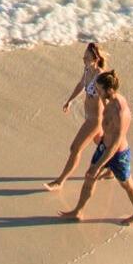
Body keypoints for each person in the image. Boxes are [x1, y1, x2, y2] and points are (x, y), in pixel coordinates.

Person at [61, 70, 133, 224]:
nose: (96, 92)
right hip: (103, 146)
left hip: (118, 154)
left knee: (126, 184)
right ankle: (78, 211)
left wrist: (98, 166)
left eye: (99, 89)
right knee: (89, 176)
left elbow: (116, 143)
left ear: (109, 90)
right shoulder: (108, 100)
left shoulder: (121, 111)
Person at [45, 42, 108, 191]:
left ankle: (60, 181)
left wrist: (111, 119)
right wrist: (70, 100)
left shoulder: (101, 76)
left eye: (86, 57)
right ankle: (112, 168)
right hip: (88, 116)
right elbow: (81, 84)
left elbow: (107, 99)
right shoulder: (87, 70)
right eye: (83, 56)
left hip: (95, 120)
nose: (83, 59)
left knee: (75, 148)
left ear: (96, 58)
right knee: (103, 144)